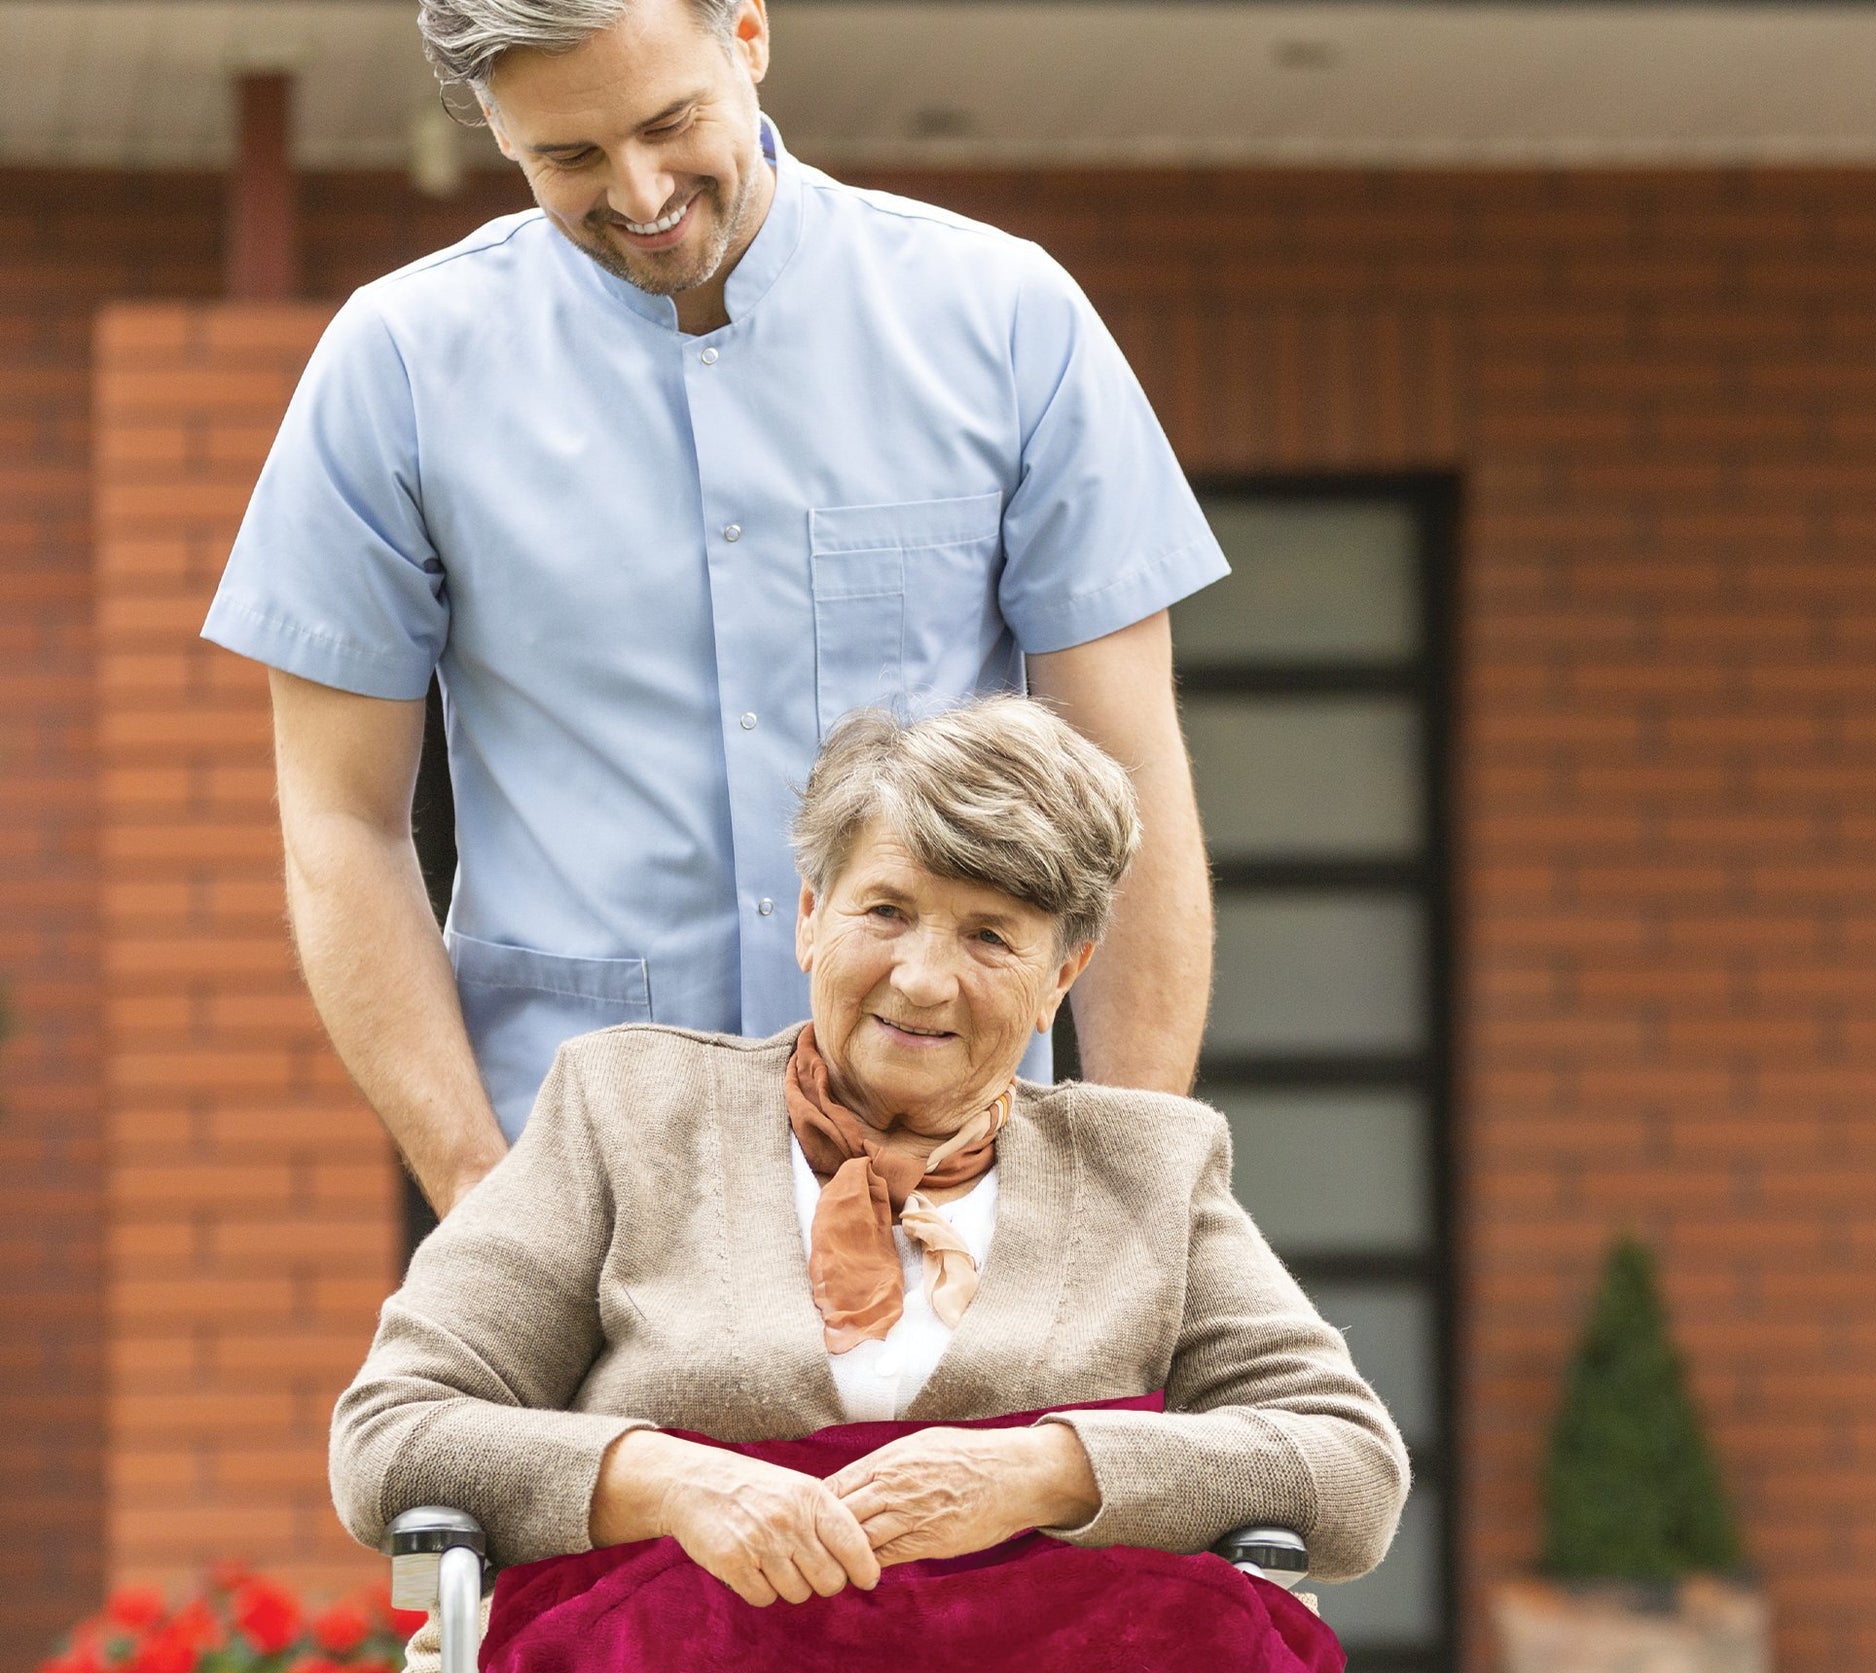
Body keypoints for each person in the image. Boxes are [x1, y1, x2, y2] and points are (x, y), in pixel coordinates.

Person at [329, 698, 1408, 1673]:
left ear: (1062, 973)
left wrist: (1040, 1469)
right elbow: (393, 1434)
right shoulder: (624, 1112)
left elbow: (1347, 1466)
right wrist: (675, 1482)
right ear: (808, 916)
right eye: (885, 909)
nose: (921, 974)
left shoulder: (1149, 1170)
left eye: (990, 933)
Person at [204, 0, 1229, 1219]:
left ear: (745, 32)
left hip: (963, 1177)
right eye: (567, 158)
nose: (637, 194)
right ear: (495, 125)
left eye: (667, 123)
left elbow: (1129, 787)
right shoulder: (397, 364)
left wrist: (1123, 1194)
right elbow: (342, 823)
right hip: (582, 1182)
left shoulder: (1008, 320)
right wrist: (479, 1187)